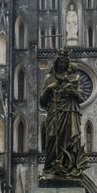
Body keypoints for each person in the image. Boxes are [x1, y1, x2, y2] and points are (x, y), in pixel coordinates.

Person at [39, 49, 87, 180]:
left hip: (70, 112)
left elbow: (81, 97)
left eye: (65, 62)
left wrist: (73, 92)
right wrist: (49, 88)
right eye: (60, 62)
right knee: (52, 137)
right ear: (56, 63)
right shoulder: (49, 78)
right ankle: (50, 168)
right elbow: (42, 101)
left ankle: (68, 167)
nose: (62, 64)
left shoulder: (72, 78)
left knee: (70, 140)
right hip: (54, 111)